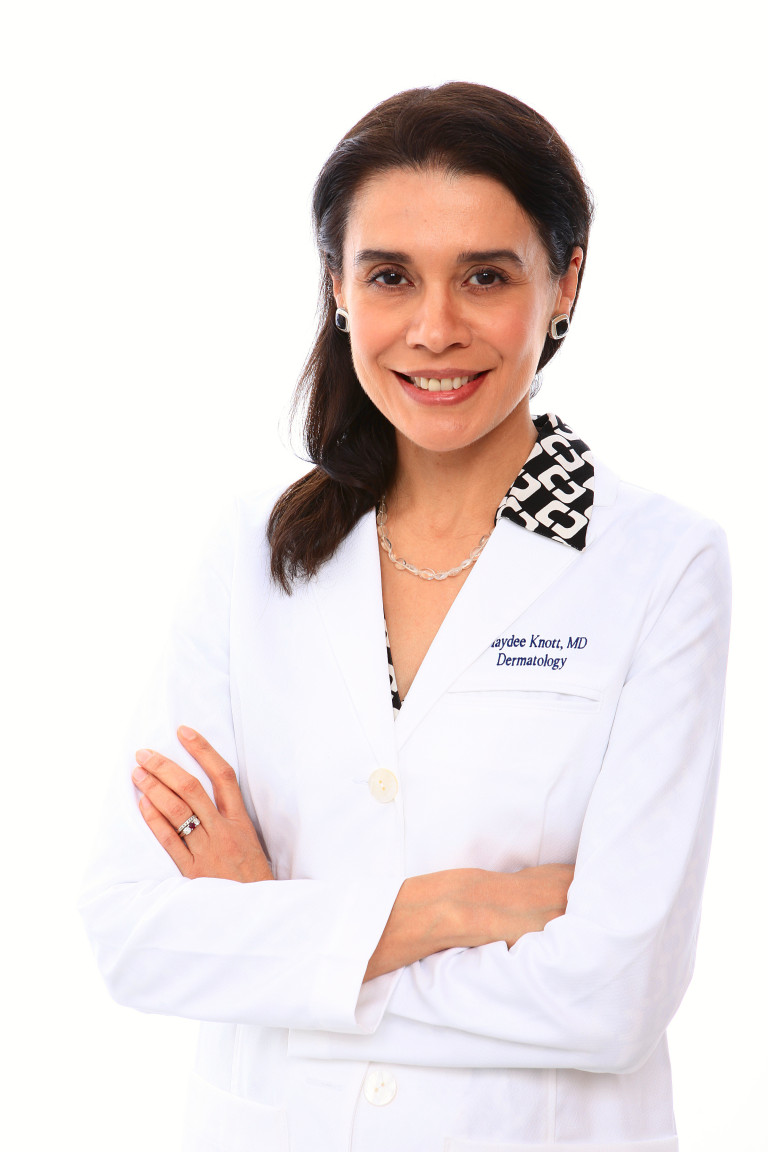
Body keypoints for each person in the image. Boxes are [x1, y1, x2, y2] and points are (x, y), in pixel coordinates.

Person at [80, 82, 730, 1152]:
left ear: (565, 283)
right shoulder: (251, 552)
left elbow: (613, 999)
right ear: (337, 287)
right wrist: (458, 907)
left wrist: (281, 944)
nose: (435, 329)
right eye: (391, 276)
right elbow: (134, 934)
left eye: (486, 276)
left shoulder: (660, 562)